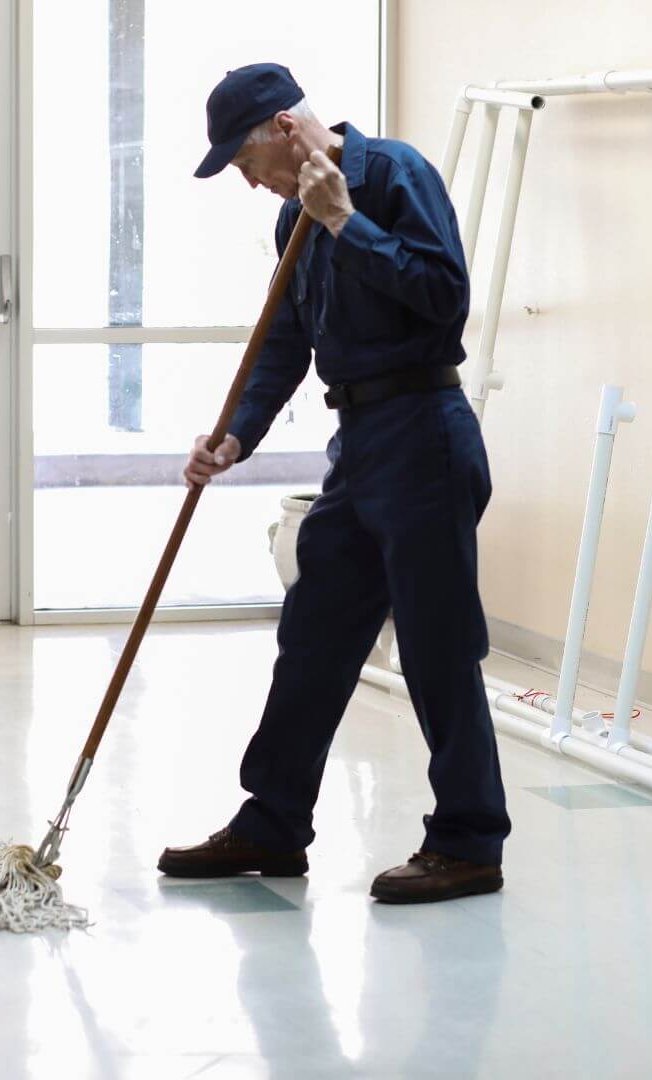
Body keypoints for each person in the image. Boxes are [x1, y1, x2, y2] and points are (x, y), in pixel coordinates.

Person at [158, 63, 510, 903]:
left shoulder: (393, 175)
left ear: (285, 129)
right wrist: (234, 435)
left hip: (424, 430)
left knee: (437, 645)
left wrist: (346, 222)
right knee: (313, 632)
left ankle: (469, 840)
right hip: (358, 445)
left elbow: (444, 298)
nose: (249, 183)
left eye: (245, 162)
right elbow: (284, 341)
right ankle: (272, 823)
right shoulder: (292, 217)